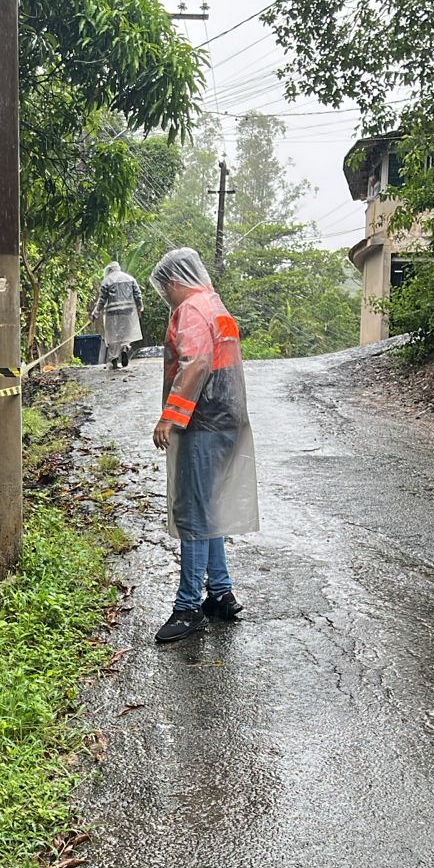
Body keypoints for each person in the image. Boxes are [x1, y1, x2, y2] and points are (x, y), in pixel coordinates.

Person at [149, 247, 259, 643]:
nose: (166, 296)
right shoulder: (214, 305)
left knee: (194, 513)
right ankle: (221, 593)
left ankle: (188, 607)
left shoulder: (191, 309)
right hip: (227, 420)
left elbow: (195, 363)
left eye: (165, 288)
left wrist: (170, 417)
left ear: (176, 281)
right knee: (209, 507)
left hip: (203, 423)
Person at [91, 261, 144, 369]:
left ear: (109, 270)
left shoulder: (107, 281)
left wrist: (95, 314)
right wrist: (140, 308)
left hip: (112, 314)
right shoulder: (130, 278)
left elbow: (102, 300)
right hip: (128, 312)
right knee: (126, 334)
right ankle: (124, 348)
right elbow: (138, 295)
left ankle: (114, 360)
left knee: (113, 338)